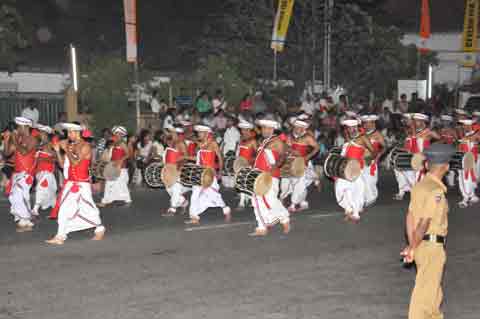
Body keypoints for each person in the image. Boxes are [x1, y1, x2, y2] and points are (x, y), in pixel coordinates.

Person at [400, 143, 454, 319]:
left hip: (422, 245)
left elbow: (410, 216)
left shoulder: (420, 185)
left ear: (426, 165)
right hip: (431, 247)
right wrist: (412, 247)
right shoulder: (436, 191)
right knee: (424, 296)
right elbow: (423, 223)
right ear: (446, 167)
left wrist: (412, 245)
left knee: (433, 294)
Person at [46, 123, 105, 245]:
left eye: (71, 132)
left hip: (81, 184)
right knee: (70, 208)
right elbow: (63, 165)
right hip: (71, 183)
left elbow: (75, 163)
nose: (68, 135)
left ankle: (98, 228)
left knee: (86, 207)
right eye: (68, 132)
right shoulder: (71, 145)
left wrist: (66, 149)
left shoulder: (85, 146)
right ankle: (61, 235)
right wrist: (57, 151)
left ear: (77, 132)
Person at [249, 117, 290, 236]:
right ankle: (261, 227)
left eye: (267, 128)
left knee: (271, 200)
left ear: (272, 129)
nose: (264, 130)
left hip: (271, 176)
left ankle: (284, 218)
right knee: (257, 200)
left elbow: (283, 155)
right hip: (260, 176)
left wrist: (276, 166)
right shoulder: (264, 142)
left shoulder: (276, 141)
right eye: (263, 128)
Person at [185, 125, 231, 224]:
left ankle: (226, 209)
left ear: (207, 133)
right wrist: (185, 157)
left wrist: (220, 172)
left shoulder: (213, 143)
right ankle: (194, 217)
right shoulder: (199, 144)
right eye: (198, 132)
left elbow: (220, 158)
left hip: (210, 174)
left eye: (201, 132)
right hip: (200, 173)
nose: (199, 134)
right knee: (195, 194)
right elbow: (197, 158)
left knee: (214, 195)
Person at [2, 117, 38, 232]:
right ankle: (25, 221)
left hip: (27, 173)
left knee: (16, 195)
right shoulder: (18, 139)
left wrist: (14, 139)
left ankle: (25, 219)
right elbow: (7, 153)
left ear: (24, 126)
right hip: (17, 173)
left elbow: (24, 151)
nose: (17, 129)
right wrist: (7, 139)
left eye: (19, 126)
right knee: (20, 196)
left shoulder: (32, 139)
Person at [335, 119, 374, 222]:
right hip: (345, 168)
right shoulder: (347, 138)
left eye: (354, 127)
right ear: (347, 129)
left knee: (357, 190)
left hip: (356, 168)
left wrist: (369, 159)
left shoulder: (363, 138)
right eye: (349, 128)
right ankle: (348, 209)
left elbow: (373, 151)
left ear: (357, 127)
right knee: (342, 189)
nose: (352, 130)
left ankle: (356, 213)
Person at [280, 119, 319, 213]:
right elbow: (284, 146)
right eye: (296, 127)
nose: (297, 129)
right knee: (285, 184)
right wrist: (288, 148)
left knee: (299, 185)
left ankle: (293, 204)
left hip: (300, 164)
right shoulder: (289, 136)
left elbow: (317, 148)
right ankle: (302, 202)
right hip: (289, 163)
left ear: (303, 129)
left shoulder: (308, 137)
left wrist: (308, 156)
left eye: (299, 128)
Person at [99, 126, 132, 207]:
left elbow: (128, 154)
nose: (117, 135)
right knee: (112, 183)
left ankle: (125, 199)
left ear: (122, 135)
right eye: (116, 133)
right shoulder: (114, 143)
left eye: (119, 134)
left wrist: (121, 160)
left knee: (120, 184)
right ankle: (107, 200)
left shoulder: (122, 143)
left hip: (120, 167)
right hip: (113, 165)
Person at [163, 126, 190, 216]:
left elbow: (185, 157)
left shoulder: (181, 144)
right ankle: (183, 202)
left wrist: (180, 167)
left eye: (172, 133)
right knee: (169, 188)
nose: (171, 134)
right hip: (169, 170)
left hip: (177, 170)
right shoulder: (172, 143)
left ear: (177, 134)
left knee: (175, 188)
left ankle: (172, 209)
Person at [33, 124, 57, 216]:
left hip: (47, 172)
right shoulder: (39, 144)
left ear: (46, 134)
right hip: (39, 172)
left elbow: (55, 158)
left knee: (41, 188)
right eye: (40, 133)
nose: (40, 135)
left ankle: (35, 208)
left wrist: (43, 159)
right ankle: (56, 207)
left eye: (42, 133)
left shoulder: (50, 145)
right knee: (50, 192)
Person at [360, 115, 385, 207]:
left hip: (371, 160)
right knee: (362, 179)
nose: (366, 125)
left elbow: (384, 147)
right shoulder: (362, 134)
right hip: (361, 159)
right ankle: (365, 197)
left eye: (368, 123)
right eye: (365, 123)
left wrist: (378, 156)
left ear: (373, 123)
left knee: (370, 179)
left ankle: (371, 198)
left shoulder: (377, 134)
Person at [457, 119, 480, 208]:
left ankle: (465, 198)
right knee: (468, 178)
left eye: (464, 125)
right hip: (466, 157)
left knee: (465, 178)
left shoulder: (475, 134)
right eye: (463, 125)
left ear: (469, 126)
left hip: (469, 158)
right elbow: (461, 146)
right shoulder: (467, 134)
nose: (463, 127)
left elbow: (473, 139)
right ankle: (473, 196)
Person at [236, 120, 257, 208]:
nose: (243, 131)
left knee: (249, 183)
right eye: (242, 130)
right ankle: (242, 202)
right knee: (240, 182)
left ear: (249, 130)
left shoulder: (253, 141)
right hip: (240, 164)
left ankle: (252, 201)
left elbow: (258, 153)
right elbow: (238, 151)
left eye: (245, 130)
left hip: (249, 164)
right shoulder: (241, 139)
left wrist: (252, 160)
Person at [221, 115, 240, 188]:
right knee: (226, 168)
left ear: (232, 122)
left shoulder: (236, 131)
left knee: (231, 168)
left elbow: (237, 143)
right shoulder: (226, 131)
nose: (227, 122)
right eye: (227, 121)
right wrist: (222, 151)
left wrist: (234, 153)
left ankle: (232, 184)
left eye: (229, 121)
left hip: (232, 151)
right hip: (226, 151)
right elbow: (224, 142)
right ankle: (226, 184)